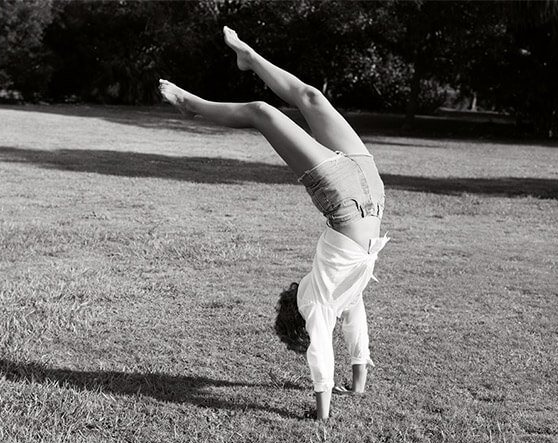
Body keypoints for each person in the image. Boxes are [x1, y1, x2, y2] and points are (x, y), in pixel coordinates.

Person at [159, 26, 388, 421]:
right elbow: (324, 348)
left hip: (364, 195)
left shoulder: (340, 296)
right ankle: (193, 105)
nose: (292, 289)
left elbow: (354, 328)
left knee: (309, 97)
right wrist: (324, 410)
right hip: (355, 197)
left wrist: (360, 379)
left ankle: (248, 56)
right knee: (263, 112)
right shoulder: (316, 305)